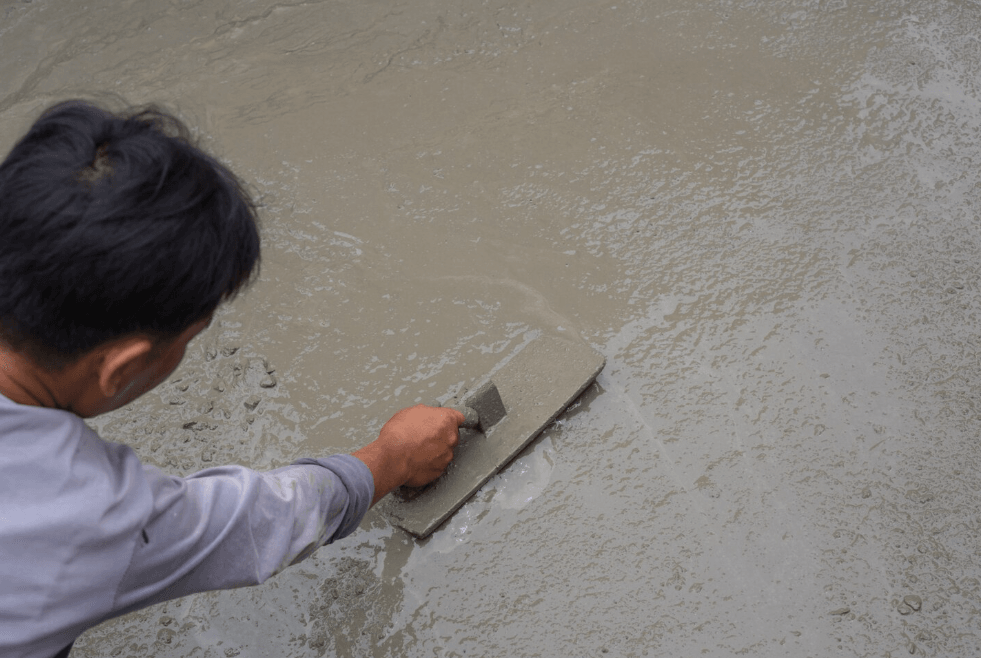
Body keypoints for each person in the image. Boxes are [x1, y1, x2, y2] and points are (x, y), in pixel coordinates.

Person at [0, 100, 464, 658]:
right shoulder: (89, 512)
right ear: (121, 368)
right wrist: (391, 459)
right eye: (188, 339)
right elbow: (254, 523)